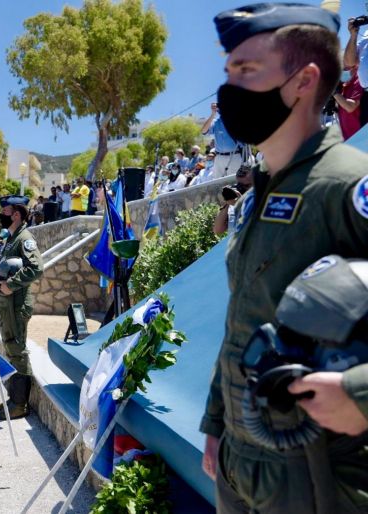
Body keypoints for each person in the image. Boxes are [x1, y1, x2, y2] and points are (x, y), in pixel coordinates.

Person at [201, 5, 368, 513]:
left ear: (303, 82)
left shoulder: (348, 184)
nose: (228, 87)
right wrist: (216, 426)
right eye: (228, 70)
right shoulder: (264, 192)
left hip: (316, 474)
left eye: (246, 70)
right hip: (241, 462)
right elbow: (243, 322)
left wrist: (359, 392)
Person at [0, 195, 44, 420]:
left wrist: (11, 286)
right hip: (8, 305)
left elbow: (36, 268)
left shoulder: (24, 238)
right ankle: (13, 398)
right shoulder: (11, 238)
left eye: (5, 211)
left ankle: (19, 404)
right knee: (10, 348)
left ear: (16, 214)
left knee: (17, 349)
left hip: (16, 303)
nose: (1, 215)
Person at [202, 102, 243, 178]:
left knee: (234, 182)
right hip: (219, 157)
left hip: (234, 156)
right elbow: (204, 131)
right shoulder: (215, 121)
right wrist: (212, 114)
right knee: (218, 184)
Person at [334, 65, 363, 140]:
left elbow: (350, 107)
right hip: (348, 137)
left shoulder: (359, 79)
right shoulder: (344, 82)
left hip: (359, 137)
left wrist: (334, 92)